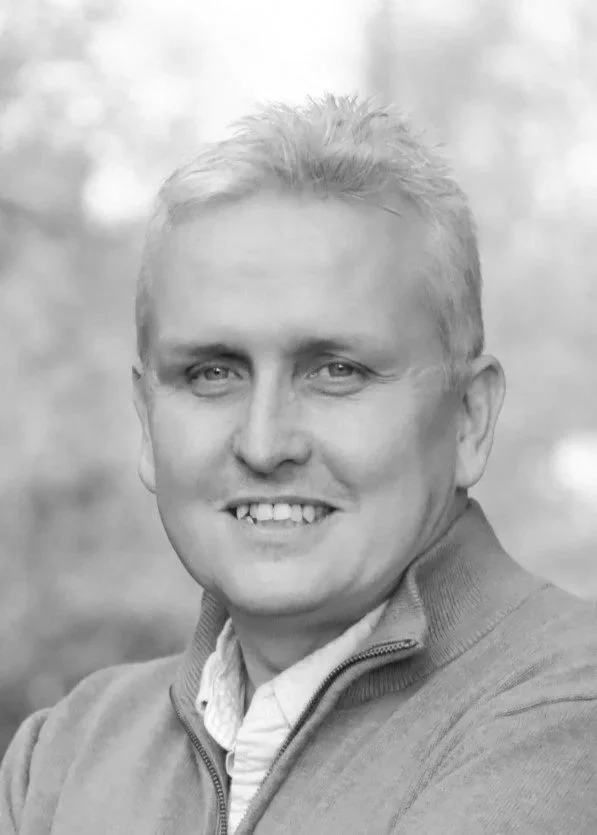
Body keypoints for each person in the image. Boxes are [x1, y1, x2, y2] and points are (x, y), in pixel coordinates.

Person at [1, 94, 596, 835]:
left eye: (336, 371)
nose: (263, 442)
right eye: (212, 373)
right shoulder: (64, 755)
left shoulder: (565, 716)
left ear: (469, 418)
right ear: (147, 422)